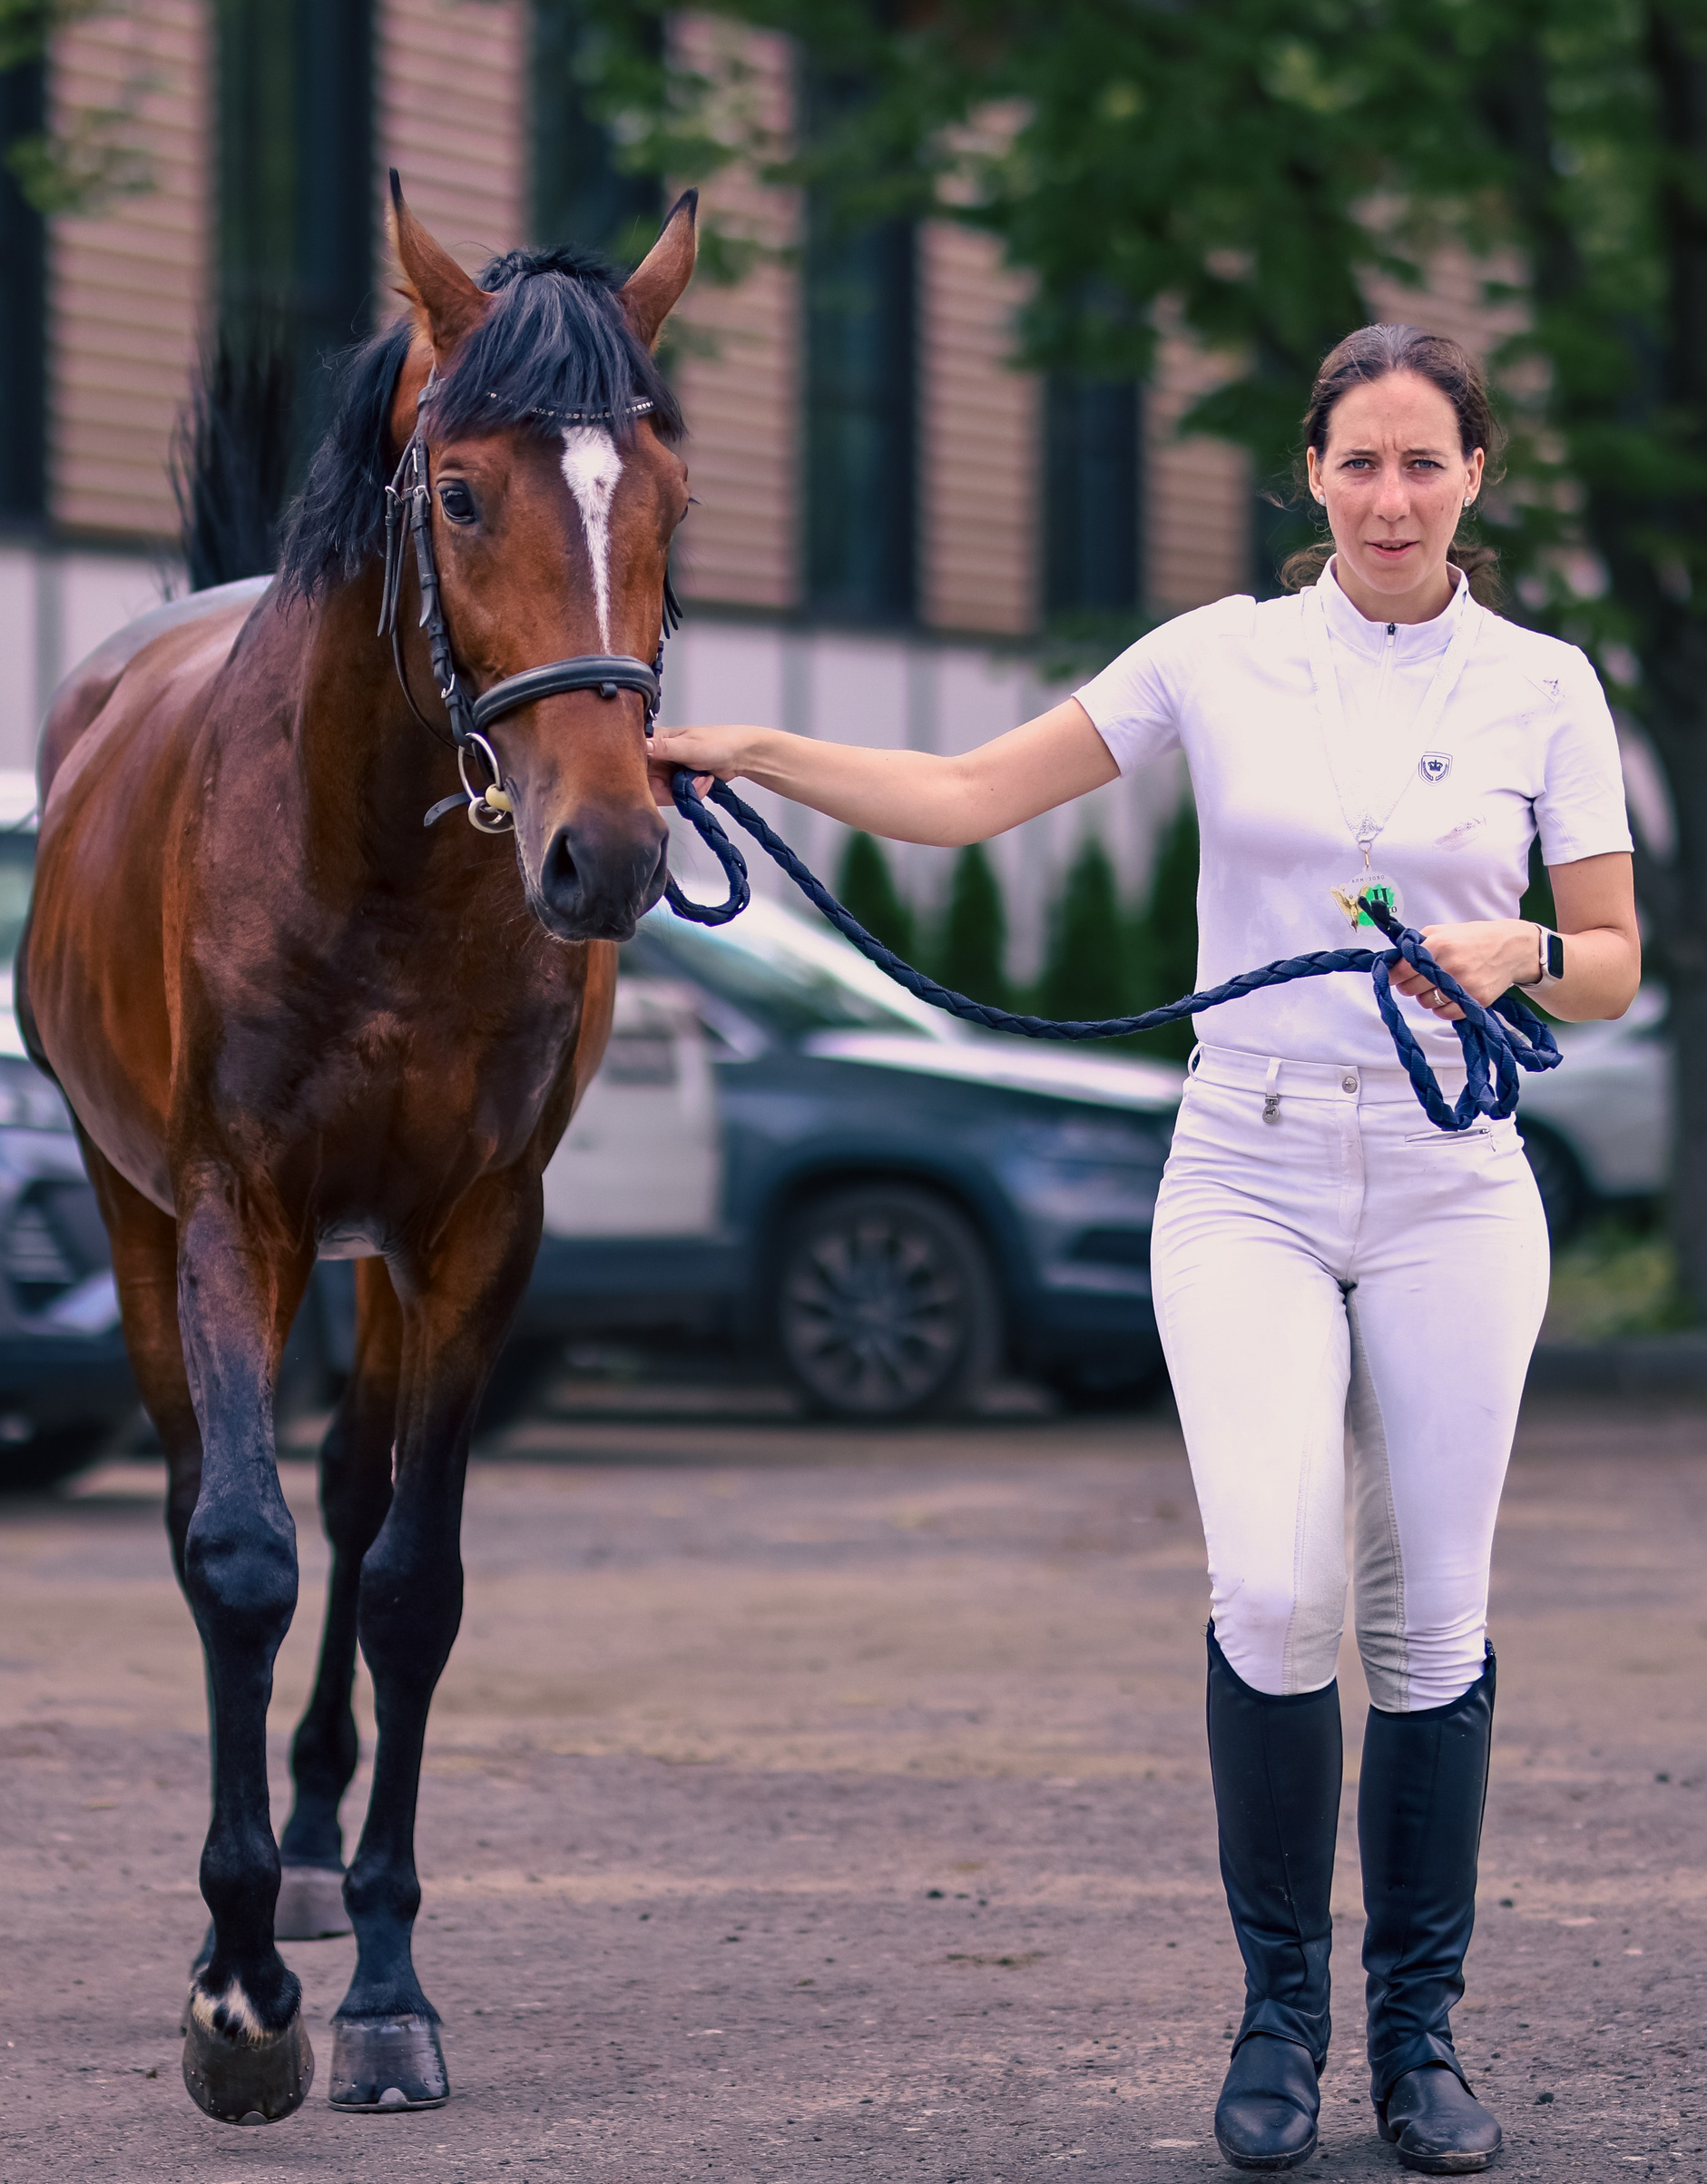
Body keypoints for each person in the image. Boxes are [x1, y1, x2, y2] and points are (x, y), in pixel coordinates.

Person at [647, 324, 1640, 2175]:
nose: (1390, 496)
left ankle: (1414, 2044)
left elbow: (1611, 955)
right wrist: (756, 751)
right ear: (1312, 476)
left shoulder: (1544, 689)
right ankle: (1276, 2024)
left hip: (1447, 1190)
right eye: (1358, 461)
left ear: (1473, 481)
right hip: (1245, 1171)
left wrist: (1514, 953)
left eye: (1424, 462)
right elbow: (965, 794)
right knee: (1270, 1591)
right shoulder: (1214, 659)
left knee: (1429, 1617)